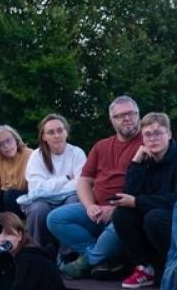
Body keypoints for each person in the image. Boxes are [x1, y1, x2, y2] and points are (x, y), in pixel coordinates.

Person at [48, 96, 143, 279]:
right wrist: (90, 206)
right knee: (55, 218)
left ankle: (87, 262)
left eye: (131, 113)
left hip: (125, 211)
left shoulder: (145, 145)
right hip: (97, 209)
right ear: (111, 120)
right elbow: (84, 181)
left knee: (122, 223)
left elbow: (147, 186)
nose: (127, 118)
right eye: (120, 115)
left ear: (138, 116)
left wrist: (115, 208)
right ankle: (103, 257)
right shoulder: (101, 146)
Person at [112, 112, 177, 289]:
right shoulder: (145, 160)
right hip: (154, 218)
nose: (153, 139)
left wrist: (138, 202)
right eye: (148, 134)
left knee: (155, 217)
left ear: (169, 134)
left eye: (158, 133)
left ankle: (175, 267)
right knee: (122, 214)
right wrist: (136, 162)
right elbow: (129, 193)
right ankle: (146, 268)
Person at [20, 113, 87, 249]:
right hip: (43, 200)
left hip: (69, 197)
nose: (57, 135)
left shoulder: (77, 153)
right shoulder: (36, 156)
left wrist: (54, 187)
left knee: (73, 202)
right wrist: (65, 179)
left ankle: (68, 255)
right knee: (38, 209)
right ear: (44, 137)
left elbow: (80, 183)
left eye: (60, 130)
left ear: (66, 132)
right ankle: (37, 251)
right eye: (51, 132)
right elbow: (37, 188)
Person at [0, 124, 31, 215]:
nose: (6, 146)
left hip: (27, 197)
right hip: (6, 197)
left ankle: (15, 225)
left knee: (10, 195)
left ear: (16, 139)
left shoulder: (31, 155)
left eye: (8, 141)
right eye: (0, 144)